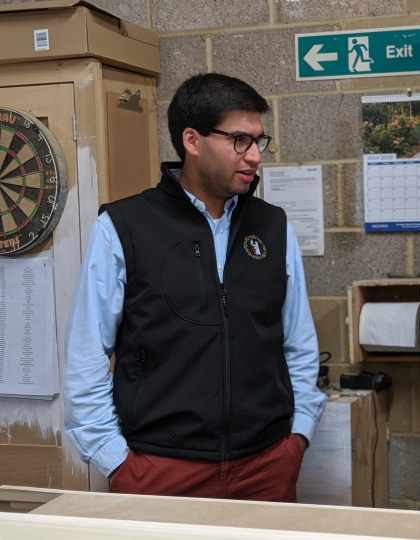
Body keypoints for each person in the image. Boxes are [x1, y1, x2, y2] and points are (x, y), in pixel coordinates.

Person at [64, 73, 326, 501]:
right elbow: (86, 354)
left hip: (265, 465)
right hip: (160, 469)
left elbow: (298, 342)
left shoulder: (272, 226)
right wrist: (116, 460)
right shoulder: (124, 227)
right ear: (192, 140)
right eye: (240, 140)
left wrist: (297, 436)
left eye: (261, 140)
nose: (256, 155)